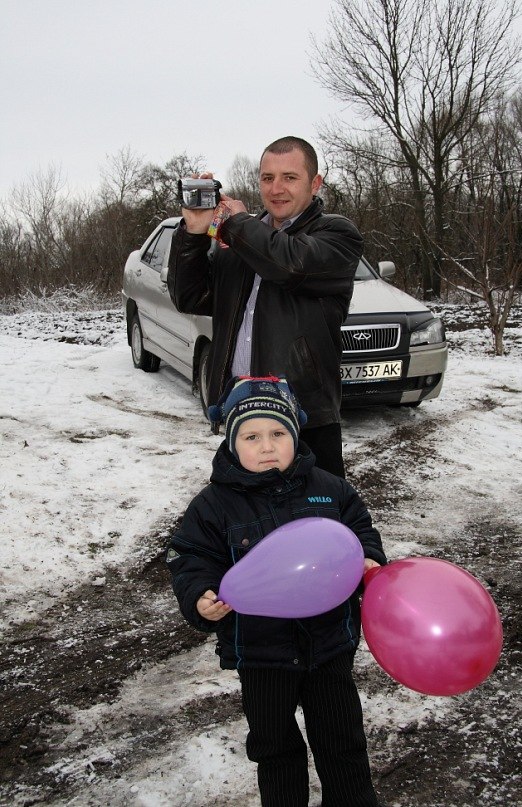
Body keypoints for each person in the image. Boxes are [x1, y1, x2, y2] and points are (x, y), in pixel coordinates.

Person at [166, 376, 387, 807]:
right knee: (275, 748)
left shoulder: (331, 490)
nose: (267, 446)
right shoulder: (212, 506)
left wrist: (369, 560)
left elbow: (361, 530)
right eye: (251, 436)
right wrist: (200, 596)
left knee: (342, 742)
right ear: (231, 442)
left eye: (278, 433)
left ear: (295, 434)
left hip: (328, 646)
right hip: (261, 652)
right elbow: (190, 558)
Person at [167, 135, 364, 478]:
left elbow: (289, 264)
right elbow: (191, 297)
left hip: (306, 418)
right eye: (267, 178)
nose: (276, 189)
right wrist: (194, 235)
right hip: (242, 415)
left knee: (314, 524)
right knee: (245, 525)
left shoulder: (336, 233)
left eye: (290, 177)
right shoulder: (242, 238)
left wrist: (236, 223)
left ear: (315, 183)